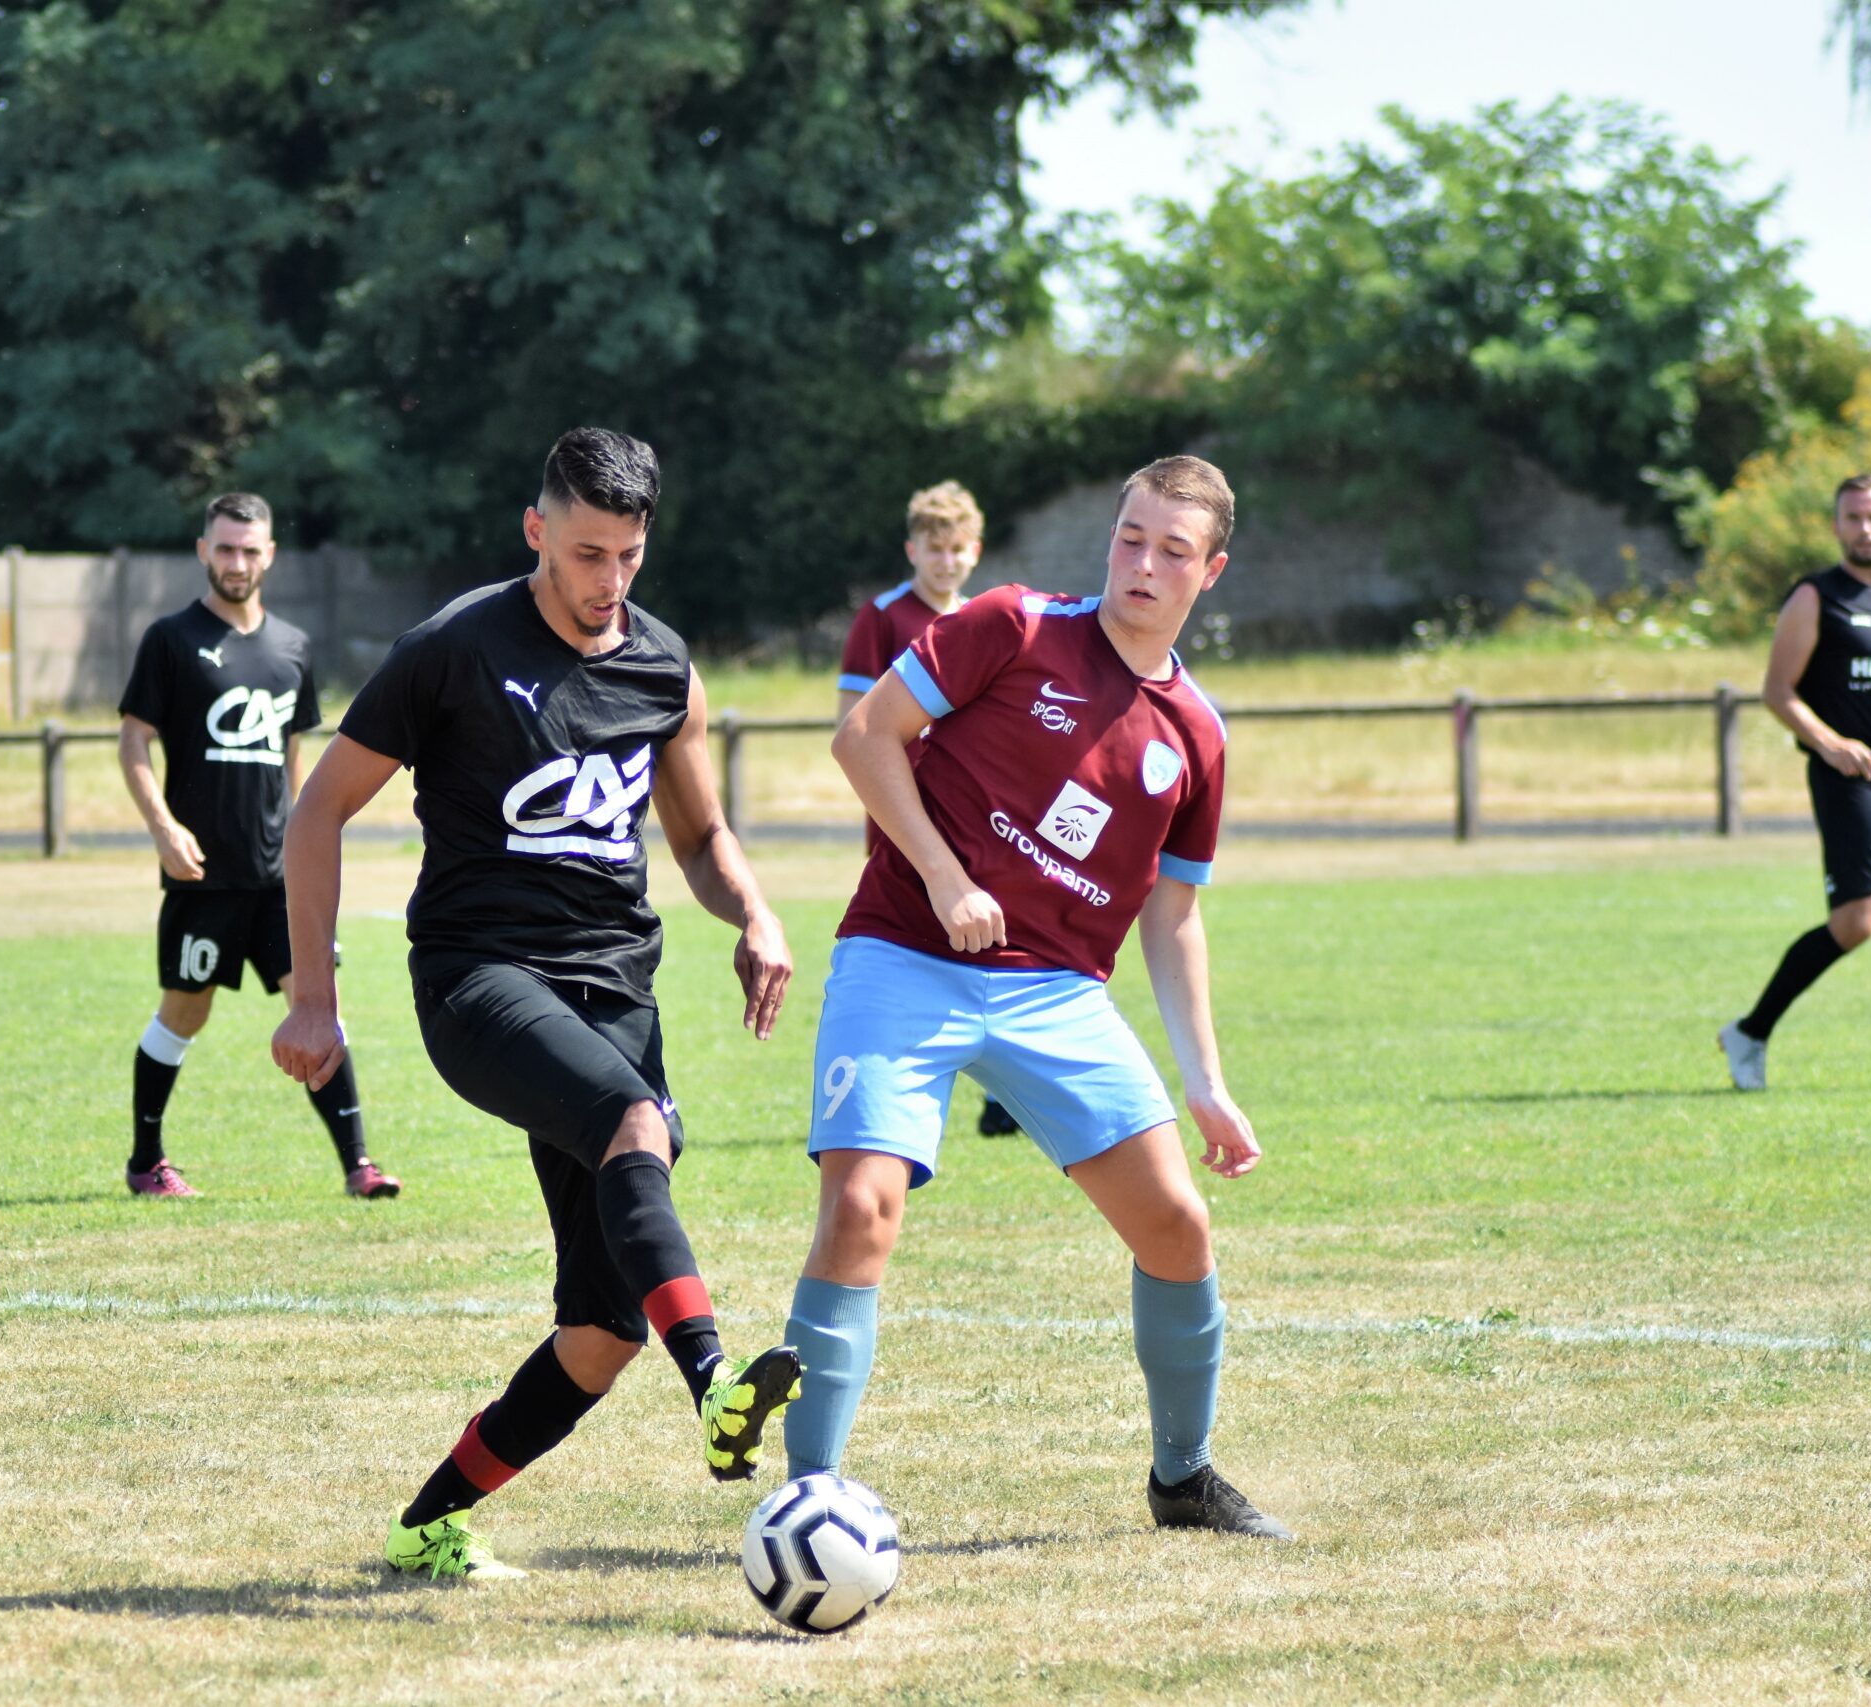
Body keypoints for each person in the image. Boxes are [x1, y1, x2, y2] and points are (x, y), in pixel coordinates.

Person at [271, 427, 802, 1581]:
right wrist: (314, 998)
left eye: (628, 555)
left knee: (603, 1332)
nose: (609, 580)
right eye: (585, 554)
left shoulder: (662, 666)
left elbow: (700, 836)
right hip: (478, 980)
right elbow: (316, 813)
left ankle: (426, 1526)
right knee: (634, 1124)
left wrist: (753, 913)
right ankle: (717, 1385)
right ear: (536, 532)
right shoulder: (451, 649)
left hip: (616, 992)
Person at [780, 454, 1290, 1539]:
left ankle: (1184, 1478)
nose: (1143, 564)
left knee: (1178, 1225)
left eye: (1173, 551)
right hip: (902, 952)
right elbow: (863, 736)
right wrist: (941, 874)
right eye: (1130, 538)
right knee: (861, 1209)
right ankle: (808, 1499)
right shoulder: (1012, 624)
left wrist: (1206, 1082)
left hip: (1054, 992)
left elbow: (1173, 914)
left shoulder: (1196, 734)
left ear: (1211, 572)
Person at [116, 491, 397, 1200]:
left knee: (318, 1005)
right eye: (224, 548)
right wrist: (164, 828)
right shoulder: (170, 640)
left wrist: (301, 842)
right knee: (185, 1012)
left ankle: (359, 1165)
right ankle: (146, 1162)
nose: (236, 562)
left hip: (277, 878)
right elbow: (133, 741)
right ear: (203, 551)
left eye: (249, 550)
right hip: (203, 876)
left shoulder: (292, 647)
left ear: (269, 555)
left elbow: (293, 757)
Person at [835, 478, 1020, 1139]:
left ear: (976, 551)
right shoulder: (882, 617)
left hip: (971, 817)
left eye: (957, 548)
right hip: (905, 817)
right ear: (912, 550)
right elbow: (853, 722)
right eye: (933, 548)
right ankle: (893, 1081)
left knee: (987, 942)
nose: (945, 561)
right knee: (914, 951)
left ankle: (1001, 1090)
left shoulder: (984, 620)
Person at [1719, 472, 1871, 1090]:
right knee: (1855, 924)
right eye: (1854, 517)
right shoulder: (1816, 597)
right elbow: (1777, 691)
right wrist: (1830, 743)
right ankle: (1750, 1032)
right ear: (1836, 526)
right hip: (1853, 781)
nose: (1866, 529)